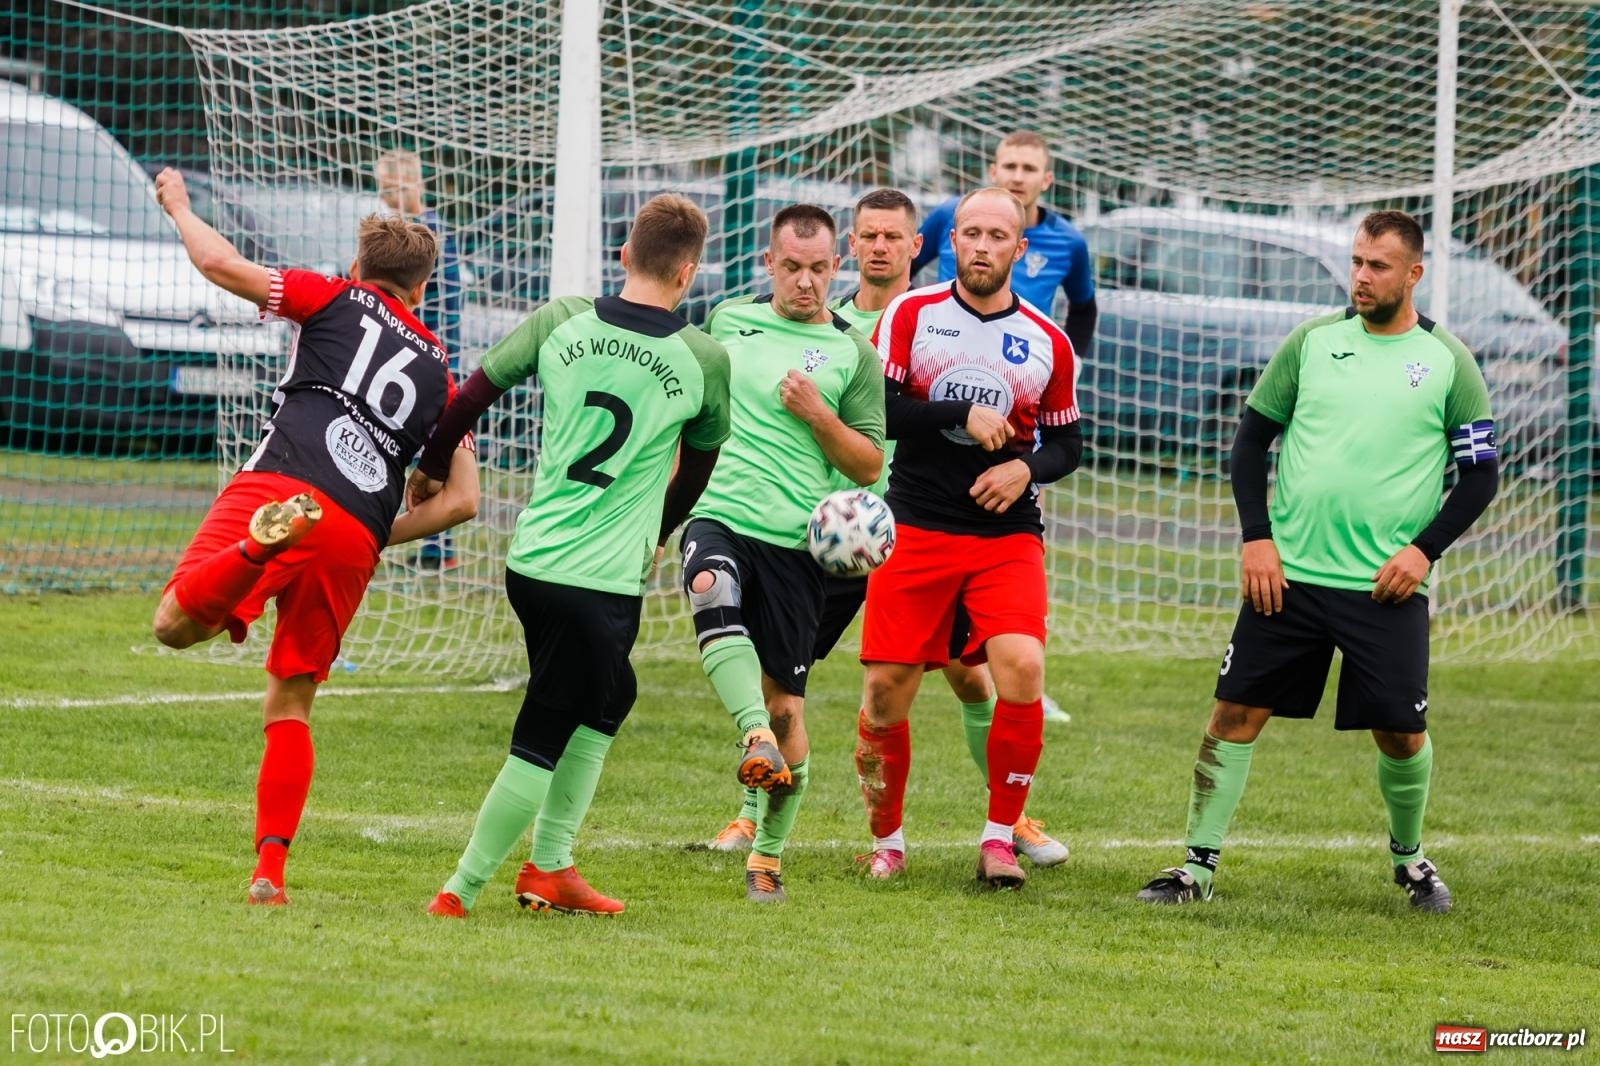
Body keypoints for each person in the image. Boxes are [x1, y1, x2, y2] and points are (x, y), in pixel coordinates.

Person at [1135, 210, 1499, 913]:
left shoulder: (1450, 362)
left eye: (1379, 266)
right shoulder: (1312, 342)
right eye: (1358, 262)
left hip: (1385, 591)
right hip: (1289, 579)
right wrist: (1256, 536)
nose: (1362, 277)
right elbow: (1249, 443)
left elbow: (1480, 477)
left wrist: (1422, 552)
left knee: (1400, 729)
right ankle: (1195, 869)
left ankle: (1411, 862)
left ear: (1413, 274)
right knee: (1233, 715)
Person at [704, 189, 1070, 875]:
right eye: (868, 234)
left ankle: (1011, 818)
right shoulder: (825, 329)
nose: (879, 246)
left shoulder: (917, 324)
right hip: (840, 531)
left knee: (972, 674)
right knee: (788, 673)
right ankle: (751, 813)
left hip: (922, 528)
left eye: (892, 237)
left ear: (915, 248)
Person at [149, 167, 481, 906]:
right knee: (291, 704)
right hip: (356, 535)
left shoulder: (329, 295)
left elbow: (217, 263)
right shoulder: (440, 373)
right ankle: (270, 873)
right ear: (423, 291)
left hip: (283, 482)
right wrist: (371, 533)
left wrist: (178, 205)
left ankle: (256, 549)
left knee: (174, 623)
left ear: (359, 268)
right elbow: (463, 501)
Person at [414, 194, 731, 918]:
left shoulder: (562, 321)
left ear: (624, 255)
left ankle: (552, 866)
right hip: (598, 579)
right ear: (690, 273)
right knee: (547, 727)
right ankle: (460, 890)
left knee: (611, 696)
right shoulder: (703, 359)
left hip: (533, 561)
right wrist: (655, 537)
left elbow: (468, 398)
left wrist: (431, 466)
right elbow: (699, 473)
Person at [859, 187, 1083, 890]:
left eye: (998, 236)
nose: (982, 246)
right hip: (918, 524)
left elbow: (1068, 444)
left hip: (1005, 535)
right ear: (951, 240)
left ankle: (999, 840)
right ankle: (887, 841)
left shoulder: (1048, 340)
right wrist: (963, 408)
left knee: (1021, 667)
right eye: (970, 234)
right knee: (886, 694)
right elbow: (878, 413)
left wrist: (1024, 465)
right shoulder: (910, 314)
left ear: (1021, 249)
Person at [682, 203, 885, 903]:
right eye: (791, 267)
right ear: (768, 263)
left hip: (799, 545)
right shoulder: (727, 323)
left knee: (789, 708)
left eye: (819, 269)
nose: (805, 282)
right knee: (710, 585)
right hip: (721, 512)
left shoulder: (855, 354)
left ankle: (766, 857)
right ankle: (751, 737)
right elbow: (697, 411)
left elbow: (866, 466)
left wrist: (818, 415)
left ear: (838, 267)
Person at [913, 131, 1098, 362]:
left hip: (1019, 364)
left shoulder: (1069, 242)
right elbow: (904, 266)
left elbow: (1084, 309)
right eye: (1010, 166)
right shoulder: (951, 215)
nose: (1018, 177)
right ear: (994, 172)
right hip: (940, 355)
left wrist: (1073, 362)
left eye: (1029, 169)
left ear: (1046, 180)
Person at [376, 148, 464, 569]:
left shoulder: (425, 235)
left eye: (386, 187)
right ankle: (434, 547)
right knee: (424, 451)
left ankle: (438, 548)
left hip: (429, 357)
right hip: (424, 354)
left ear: (402, 184)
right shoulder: (425, 229)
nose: (383, 196)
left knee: (433, 451)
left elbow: (438, 306)